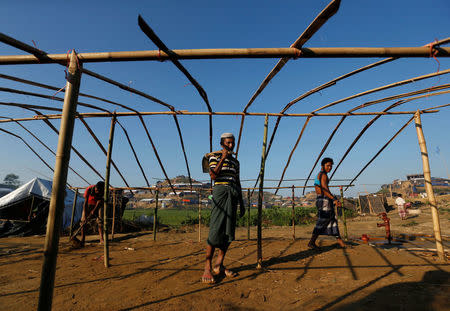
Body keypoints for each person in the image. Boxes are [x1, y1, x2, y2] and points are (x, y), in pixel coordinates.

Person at [201, 133, 245, 284]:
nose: (231, 146)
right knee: (215, 230)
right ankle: (207, 267)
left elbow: (237, 181)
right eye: (228, 143)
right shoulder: (213, 157)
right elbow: (213, 176)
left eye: (232, 143)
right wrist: (223, 158)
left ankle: (218, 265)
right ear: (222, 144)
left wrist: (241, 202)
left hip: (233, 195)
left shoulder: (236, 162)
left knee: (228, 232)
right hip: (220, 195)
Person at [308, 157, 345, 249]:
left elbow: (325, 189)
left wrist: (333, 199)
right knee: (322, 221)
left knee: (332, 220)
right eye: (328, 166)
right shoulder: (322, 175)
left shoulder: (323, 175)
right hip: (323, 199)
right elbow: (324, 189)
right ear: (322, 166)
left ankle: (341, 243)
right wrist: (334, 199)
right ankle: (311, 242)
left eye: (331, 166)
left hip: (324, 199)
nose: (330, 168)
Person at [81, 181, 105, 246]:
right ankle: (82, 239)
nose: (97, 192)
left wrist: (94, 210)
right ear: (95, 188)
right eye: (96, 190)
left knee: (100, 221)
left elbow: (99, 201)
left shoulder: (103, 191)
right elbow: (85, 203)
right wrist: (85, 214)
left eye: (98, 191)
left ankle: (101, 239)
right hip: (88, 204)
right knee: (83, 222)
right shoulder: (88, 189)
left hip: (98, 205)